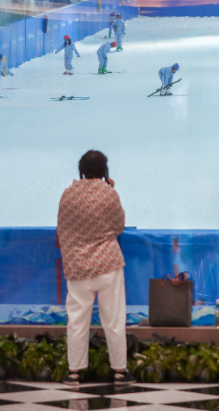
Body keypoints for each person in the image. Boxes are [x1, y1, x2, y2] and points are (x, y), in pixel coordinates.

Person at [57, 150, 135, 387]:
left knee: (77, 321)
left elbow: (62, 228)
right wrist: (110, 189)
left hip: (78, 266)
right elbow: (119, 226)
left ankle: (74, 372)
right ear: (104, 170)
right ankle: (120, 371)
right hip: (108, 264)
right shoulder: (108, 193)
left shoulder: (68, 194)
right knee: (113, 319)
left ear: (81, 170)